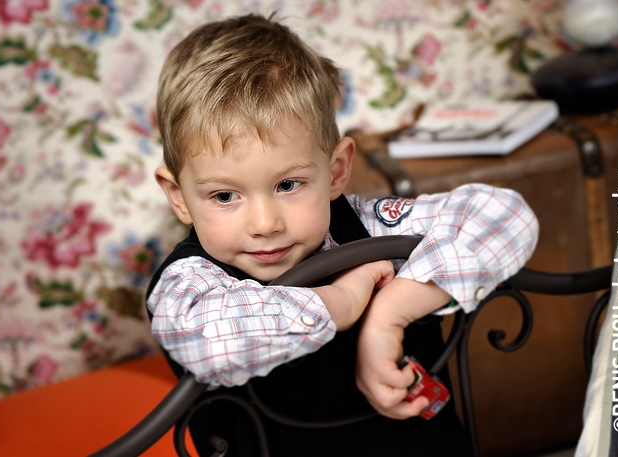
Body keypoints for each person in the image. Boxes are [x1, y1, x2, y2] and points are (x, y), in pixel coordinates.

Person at [147, 12, 539, 457]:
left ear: (336, 172)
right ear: (179, 196)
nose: (264, 223)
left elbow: (506, 215)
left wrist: (389, 314)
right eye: (224, 196)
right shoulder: (190, 283)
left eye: (288, 185)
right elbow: (207, 342)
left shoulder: (366, 229)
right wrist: (342, 302)